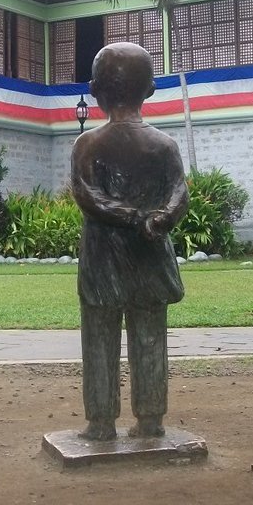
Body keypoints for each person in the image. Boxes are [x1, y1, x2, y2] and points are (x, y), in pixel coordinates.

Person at [70, 42, 189, 441]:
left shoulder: (87, 144)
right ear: (150, 89)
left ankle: (101, 421)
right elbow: (179, 193)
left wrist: (132, 216)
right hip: (150, 257)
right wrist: (155, 218)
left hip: (104, 263)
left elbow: (87, 195)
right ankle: (150, 419)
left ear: (94, 90)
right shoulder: (164, 145)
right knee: (151, 337)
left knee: (100, 338)